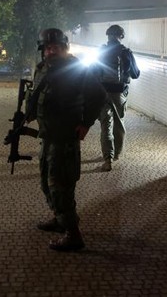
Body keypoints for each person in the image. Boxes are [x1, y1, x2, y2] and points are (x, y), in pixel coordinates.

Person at [26, 28, 106, 251]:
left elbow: (99, 95)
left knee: (61, 185)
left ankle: (73, 234)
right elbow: (35, 94)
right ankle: (59, 219)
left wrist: (86, 123)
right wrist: (29, 112)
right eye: (48, 48)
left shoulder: (76, 69)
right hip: (48, 135)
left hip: (64, 137)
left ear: (65, 48)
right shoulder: (42, 68)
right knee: (46, 182)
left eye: (56, 47)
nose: (52, 51)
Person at [94, 24, 140, 172]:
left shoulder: (100, 51)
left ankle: (107, 159)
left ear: (108, 36)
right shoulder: (126, 52)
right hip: (119, 94)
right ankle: (116, 154)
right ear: (121, 36)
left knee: (105, 125)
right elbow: (135, 74)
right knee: (118, 124)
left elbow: (92, 72)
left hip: (102, 93)